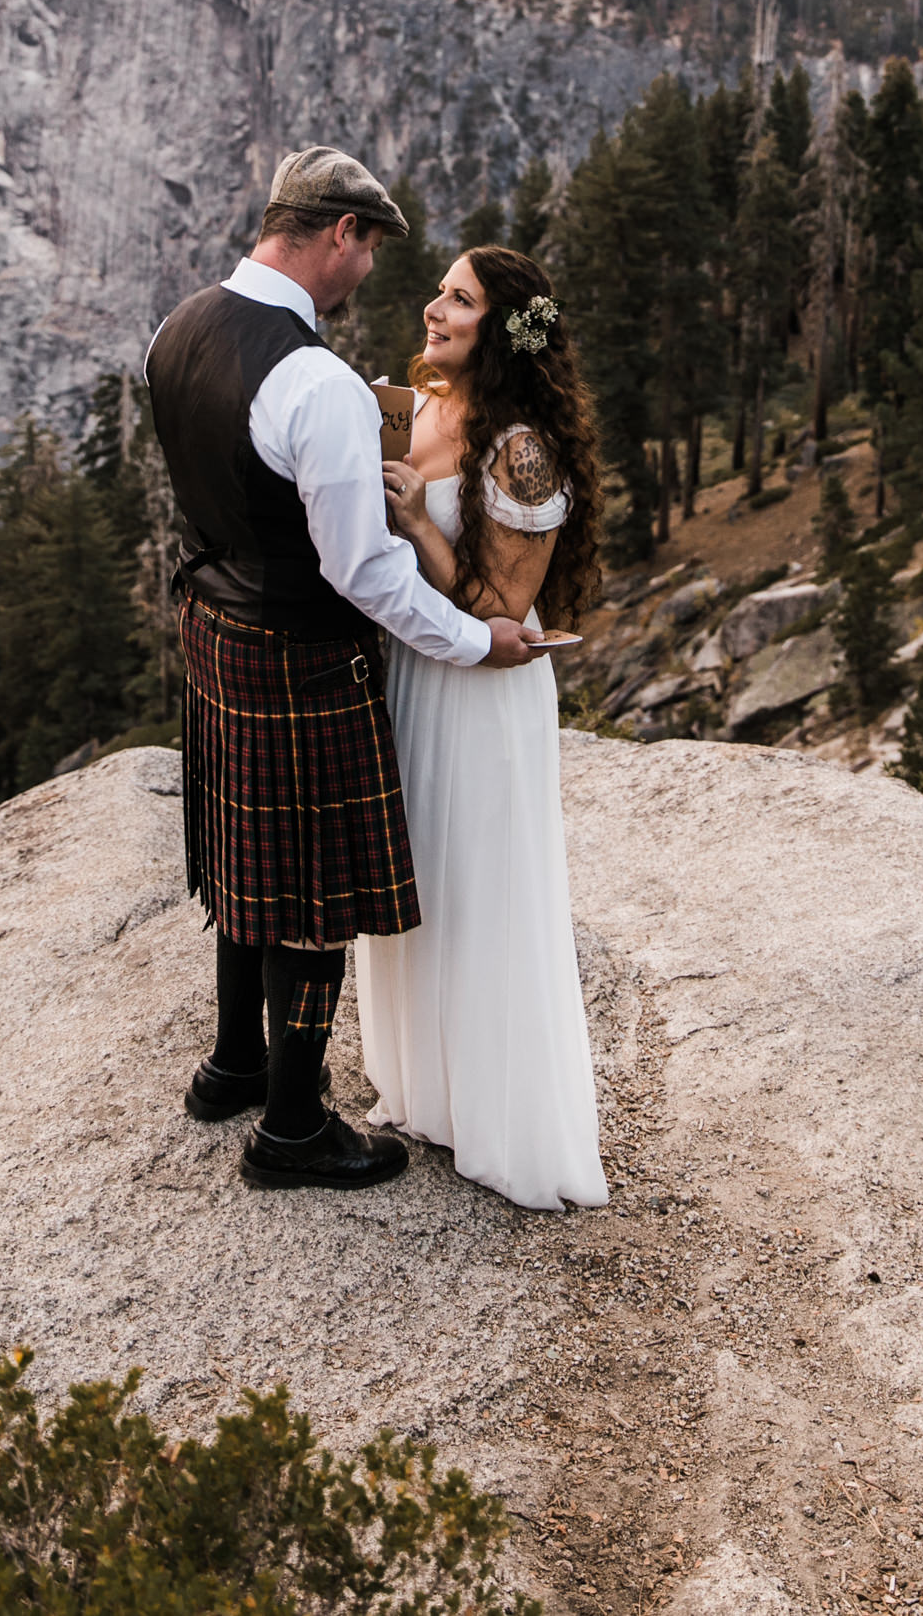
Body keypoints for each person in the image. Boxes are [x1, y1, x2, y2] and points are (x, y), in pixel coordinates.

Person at [144, 149, 535, 1194]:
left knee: (241, 856)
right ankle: (290, 1126)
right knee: (309, 892)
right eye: (367, 251)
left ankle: (230, 1064)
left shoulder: (177, 327)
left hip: (216, 628)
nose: (370, 276)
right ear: (339, 236)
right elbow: (361, 570)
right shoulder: (311, 380)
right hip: (299, 654)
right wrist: (469, 641)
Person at [357, 243, 610, 1212]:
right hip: (410, 672)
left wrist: (419, 523)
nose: (431, 309)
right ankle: (423, 1088)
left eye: (456, 300)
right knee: (415, 874)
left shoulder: (522, 450)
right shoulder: (420, 386)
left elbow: (500, 606)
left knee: (477, 886)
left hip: (479, 688)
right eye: (438, 290)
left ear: (499, 329)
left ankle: (499, 1118)